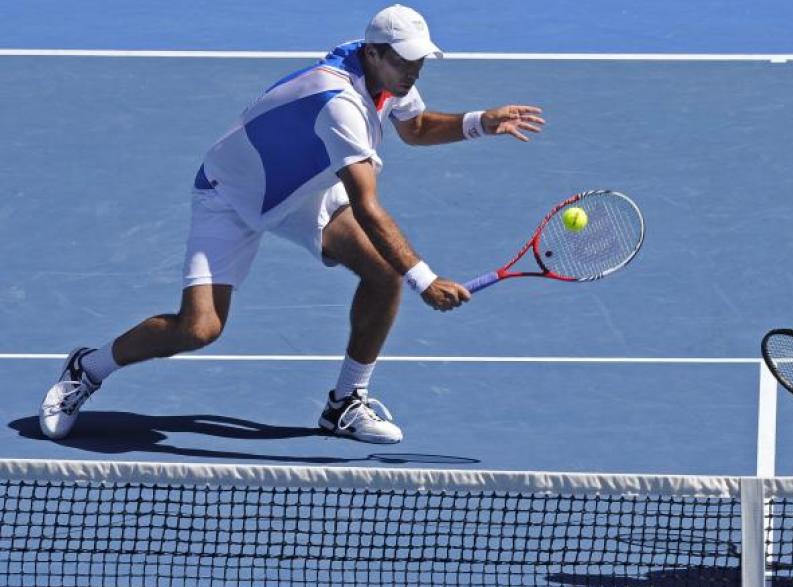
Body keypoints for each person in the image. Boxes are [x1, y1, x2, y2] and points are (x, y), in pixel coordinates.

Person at [38, 5, 545, 444]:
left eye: (417, 61)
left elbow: (414, 128)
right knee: (200, 328)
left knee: (381, 273)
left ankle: (344, 403)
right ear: (373, 53)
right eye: (403, 60)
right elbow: (368, 206)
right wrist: (426, 280)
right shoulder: (341, 105)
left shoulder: (383, 73)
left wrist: (481, 121)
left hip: (304, 191)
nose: (412, 70)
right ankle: (89, 367)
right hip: (230, 195)